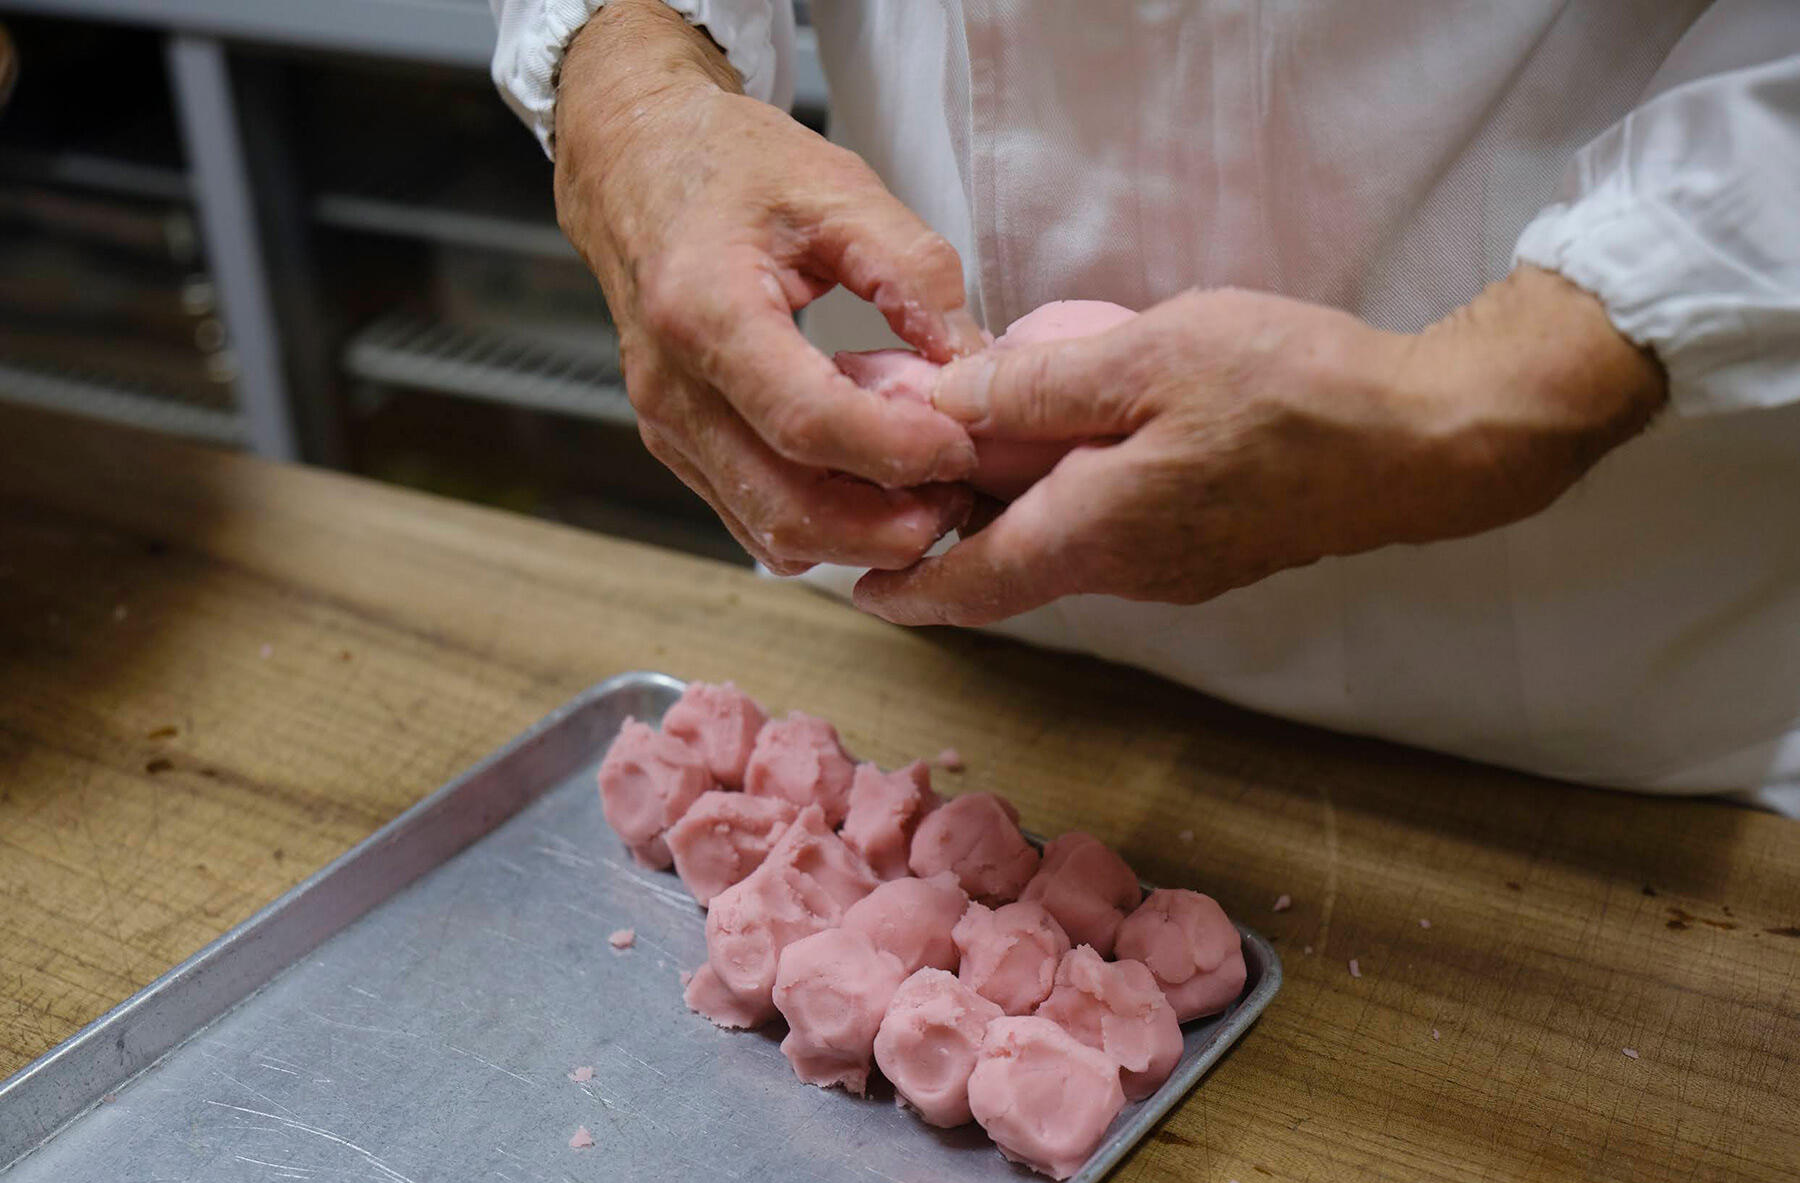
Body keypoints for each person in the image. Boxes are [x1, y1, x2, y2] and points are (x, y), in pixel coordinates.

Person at [492, 0, 1800, 812]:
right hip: (938, 659)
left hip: (1585, 679)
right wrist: (633, 92)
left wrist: (1503, 389)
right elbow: (627, 58)